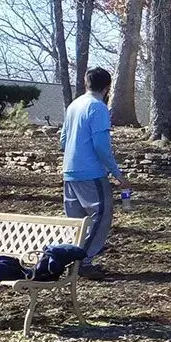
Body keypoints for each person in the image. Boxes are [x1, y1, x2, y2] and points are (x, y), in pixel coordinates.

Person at [60, 68, 129, 276]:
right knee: (100, 217)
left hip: (69, 171)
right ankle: (83, 262)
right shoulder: (98, 108)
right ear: (108, 87)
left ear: (85, 82)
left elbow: (63, 141)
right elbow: (101, 146)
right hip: (91, 173)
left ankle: (70, 259)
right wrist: (117, 173)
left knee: (77, 222)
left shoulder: (74, 105)